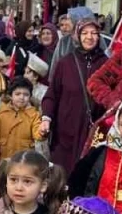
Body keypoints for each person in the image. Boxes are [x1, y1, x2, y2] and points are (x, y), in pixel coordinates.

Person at [40, 16, 106, 168]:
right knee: (64, 174)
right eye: (85, 33)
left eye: (94, 33)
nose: (89, 37)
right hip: (66, 131)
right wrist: (46, 118)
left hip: (95, 132)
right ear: (78, 36)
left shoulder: (107, 63)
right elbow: (51, 95)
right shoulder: (66, 63)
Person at [0, 77, 41, 161]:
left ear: (30, 96)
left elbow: (37, 133)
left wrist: (43, 132)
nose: (22, 97)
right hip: (4, 158)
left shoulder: (34, 114)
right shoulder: (2, 112)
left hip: (24, 159)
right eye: (17, 94)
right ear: (11, 95)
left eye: (26, 94)